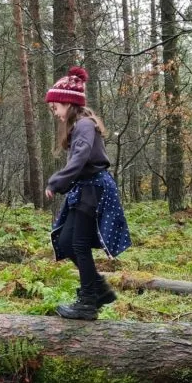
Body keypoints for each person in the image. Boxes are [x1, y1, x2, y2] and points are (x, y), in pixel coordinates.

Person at [44, 66, 132, 320]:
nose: (55, 112)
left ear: (68, 103)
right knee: (64, 242)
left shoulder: (85, 125)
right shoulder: (79, 126)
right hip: (83, 190)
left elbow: (81, 158)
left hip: (92, 189)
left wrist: (56, 182)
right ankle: (98, 289)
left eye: (56, 107)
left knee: (79, 244)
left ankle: (88, 302)